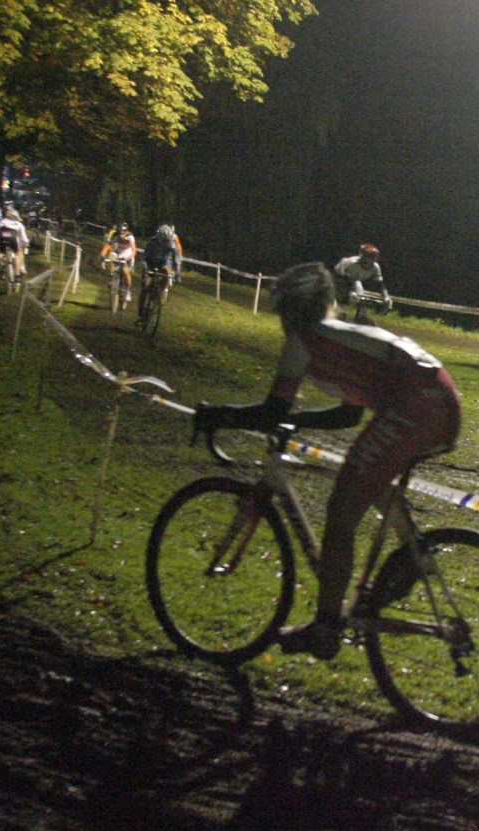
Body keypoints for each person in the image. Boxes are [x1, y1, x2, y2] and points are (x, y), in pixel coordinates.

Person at [189, 262, 460, 661]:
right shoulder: (337, 335)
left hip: (418, 403)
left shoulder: (306, 337)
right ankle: (412, 553)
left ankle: (326, 626)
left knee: (341, 510)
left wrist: (220, 414)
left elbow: (271, 409)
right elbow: (347, 415)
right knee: (368, 476)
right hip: (434, 399)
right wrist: (294, 423)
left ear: (291, 311)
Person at [333, 242, 391, 322]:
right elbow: (338, 279)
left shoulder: (375, 267)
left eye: (372, 257)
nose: (369, 259)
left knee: (360, 296)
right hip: (338, 280)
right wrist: (347, 293)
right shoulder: (350, 263)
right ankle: (338, 312)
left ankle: (360, 316)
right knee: (342, 304)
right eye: (368, 256)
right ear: (362, 255)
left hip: (353, 281)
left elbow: (380, 284)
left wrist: (386, 297)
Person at [0, 204, 29, 281]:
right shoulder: (19, 224)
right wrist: (26, 243)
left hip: (2, 240)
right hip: (14, 241)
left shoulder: (2, 222)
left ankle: (2, 269)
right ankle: (17, 275)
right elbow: (24, 238)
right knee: (18, 254)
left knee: (2, 252)